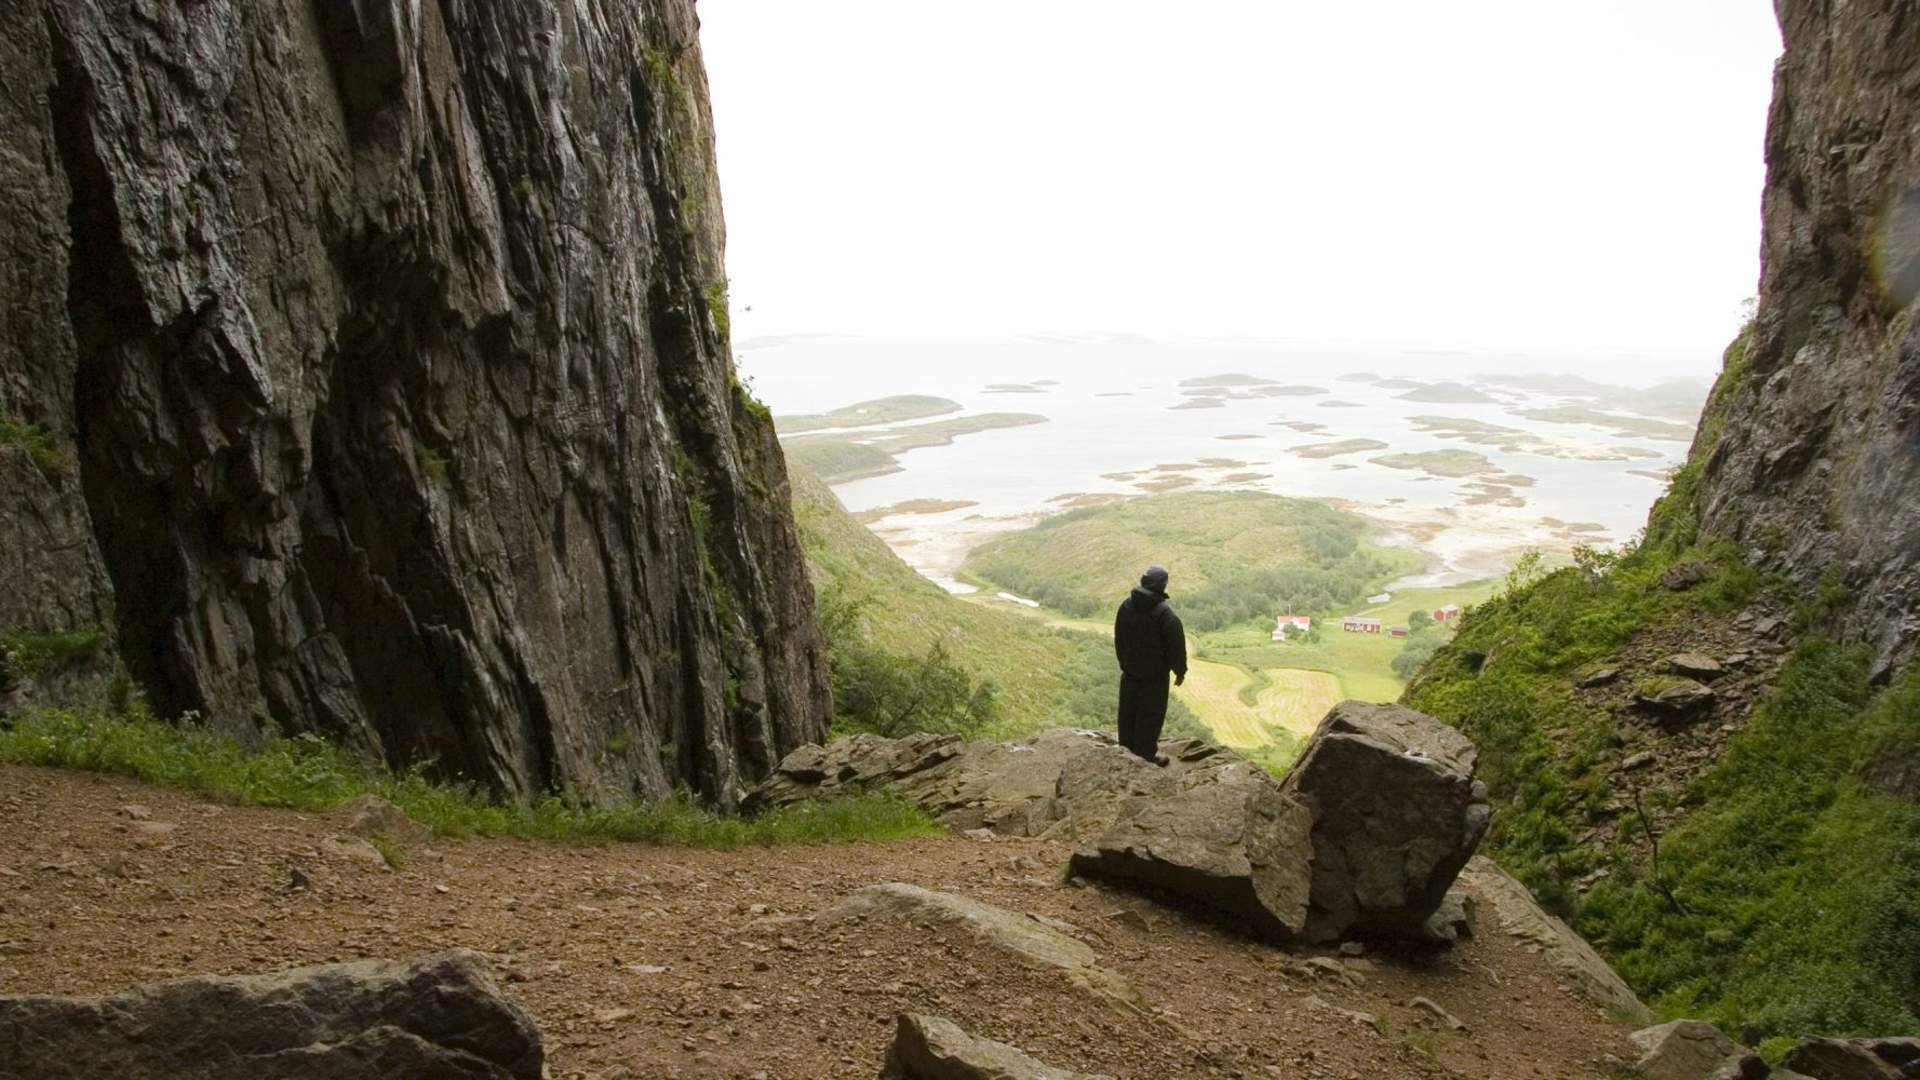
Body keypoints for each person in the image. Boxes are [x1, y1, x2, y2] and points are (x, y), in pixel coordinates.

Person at [1113, 564, 1187, 765]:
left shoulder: (1125, 606)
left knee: (1128, 713)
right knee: (1150, 716)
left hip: (1129, 674)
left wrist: (1125, 664)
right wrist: (1180, 671)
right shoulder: (1165, 615)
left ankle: (1125, 754)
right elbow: (1176, 648)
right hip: (1155, 678)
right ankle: (1145, 757)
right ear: (1162, 585)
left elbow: (1119, 639)